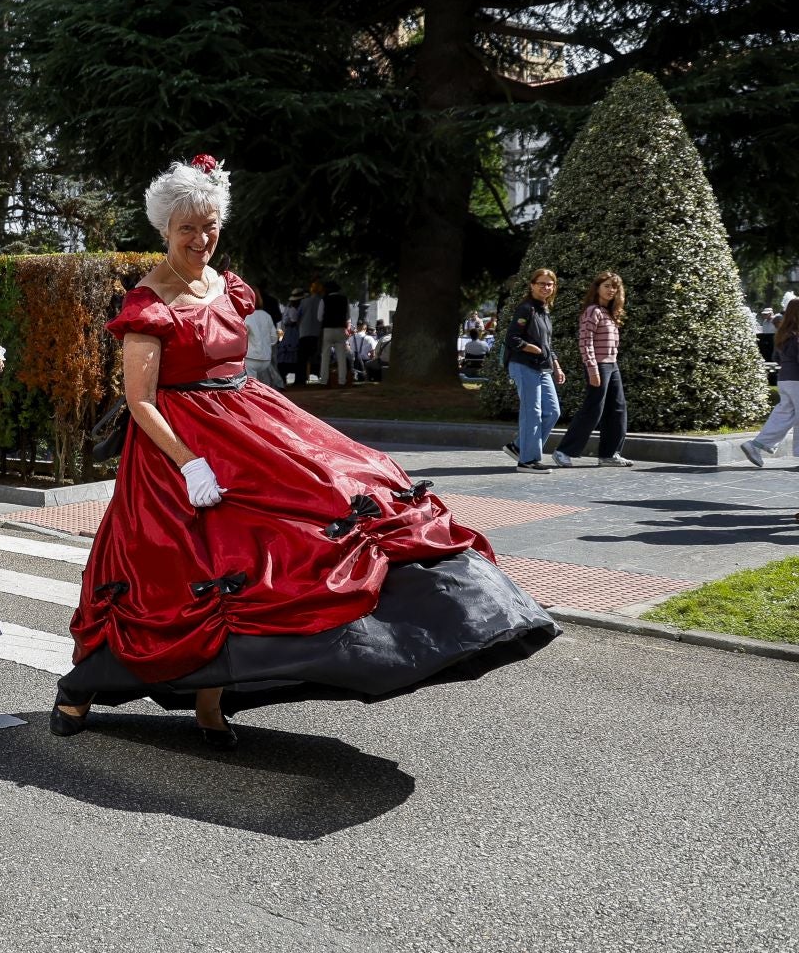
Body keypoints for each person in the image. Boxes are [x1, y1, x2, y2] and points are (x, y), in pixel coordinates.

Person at [52, 156, 555, 748]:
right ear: (165, 229)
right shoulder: (148, 301)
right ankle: (79, 690)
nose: (201, 237)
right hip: (177, 452)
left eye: (210, 224)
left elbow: (234, 365)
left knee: (331, 500)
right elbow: (140, 402)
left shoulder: (227, 287)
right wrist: (190, 463)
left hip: (249, 428)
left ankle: (210, 707)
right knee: (173, 572)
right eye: (188, 227)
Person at [552, 272, 633, 468]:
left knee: (618, 409)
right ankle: (563, 451)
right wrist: (592, 369)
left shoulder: (610, 313)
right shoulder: (592, 311)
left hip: (612, 365)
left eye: (614, 287)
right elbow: (585, 342)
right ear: (597, 288)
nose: (611, 290)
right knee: (592, 410)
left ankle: (609, 454)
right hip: (599, 365)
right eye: (606, 286)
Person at [502, 269, 566, 473]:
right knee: (533, 412)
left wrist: (556, 365)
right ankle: (527, 460)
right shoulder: (526, 308)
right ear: (532, 285)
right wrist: (531, 348)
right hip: (523, 364)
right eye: (541, 283)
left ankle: (519, 446)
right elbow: (512, 338)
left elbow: (547, 343)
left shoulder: (544, 309)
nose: (546, 287)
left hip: (543, 367)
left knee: (553, 411)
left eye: (549, 284)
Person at [742, 300, 799, 467]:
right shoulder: (797, 336)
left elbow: (776, 358)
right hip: (797, 380)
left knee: (783, 414)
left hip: (785, 380)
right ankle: (755, 445)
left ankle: (755, 445)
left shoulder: (783, 333)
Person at [243, 290, 284, 388]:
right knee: (264, 386)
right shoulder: (267, 315)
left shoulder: (245, 316)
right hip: (266, 359)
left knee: (250, 387)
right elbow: (274, 339)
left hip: (250, 359)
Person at [319, 281, 352, 386]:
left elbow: (319, 317)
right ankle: (342, 381)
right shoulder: (344, 299)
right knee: (341, 356)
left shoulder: (324, 300)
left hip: (328, 329)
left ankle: (323, 381)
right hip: (340, 329)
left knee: (325, 356)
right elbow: (348, 316)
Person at [294, 280, 324, 385]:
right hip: (317, 333)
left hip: (304, 333)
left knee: (302, 358)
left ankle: (300, 380)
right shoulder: (322, 301)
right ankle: (322, 377)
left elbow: (297, 316)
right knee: (318, 356)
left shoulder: (304, 301)